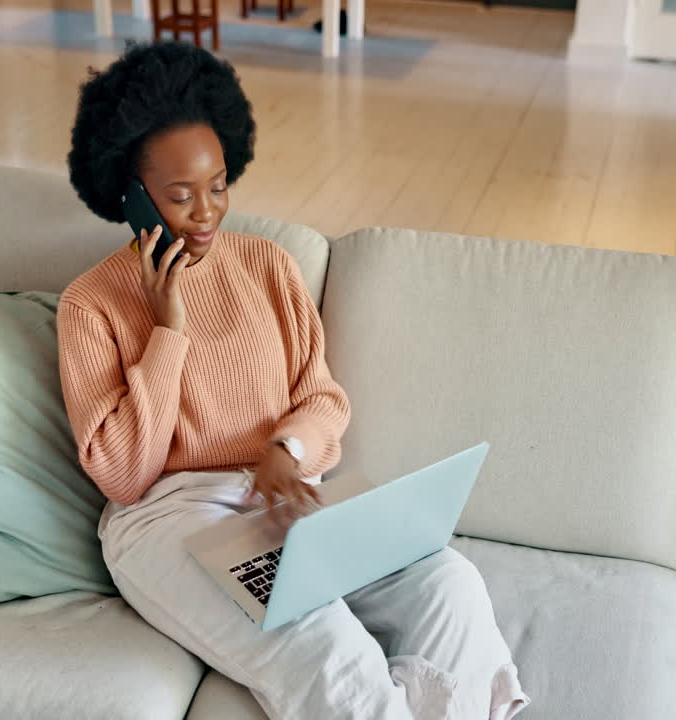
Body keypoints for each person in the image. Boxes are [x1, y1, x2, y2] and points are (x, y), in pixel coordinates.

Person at [57, 41, 529, 720]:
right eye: (179, 196)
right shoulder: (90, 304)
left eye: (218, 186)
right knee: (328, 649)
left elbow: (322, 400)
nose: (207, 213)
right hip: (167, 521)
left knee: (448, 581)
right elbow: (126, 474)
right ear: (129, 194)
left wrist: (290, 452)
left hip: (282, 499)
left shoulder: (268, 267)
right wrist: (168, 330)